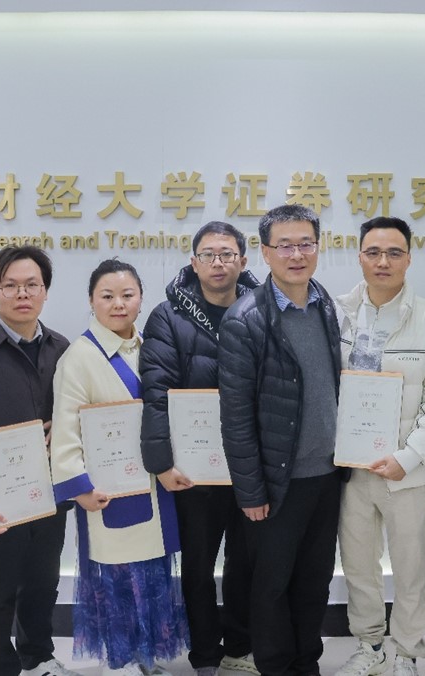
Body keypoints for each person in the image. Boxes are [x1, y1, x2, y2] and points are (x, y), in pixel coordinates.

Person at [218, 204, 342, 676]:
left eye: (305, 243)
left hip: (326, 476)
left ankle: (306, 663)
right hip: (276, 481)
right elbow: (235, 416)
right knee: (271, 586)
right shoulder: (244, 319)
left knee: (314, 582)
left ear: (318, 247)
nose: (296, 254)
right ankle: (275, 666)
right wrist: (250, 491)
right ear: (265, 253)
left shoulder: (324, 303)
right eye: (284, 245)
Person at [50, 259, 189, 676]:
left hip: (155, 489)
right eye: (107, 296)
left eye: (127, 295)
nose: (118, 304)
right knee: (117, 582)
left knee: (152, 578)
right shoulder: (79, 357)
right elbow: (66, 429)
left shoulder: (152, 348)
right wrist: (79, 486)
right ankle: (122, 661)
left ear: (141, 299)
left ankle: (148, 659)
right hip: (109, 494)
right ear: (91, 301)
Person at [333, 217, 425, 676]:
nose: (382, 261)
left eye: (394, 253)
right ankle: (370, 646)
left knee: (410, 568)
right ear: (359, 256)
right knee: (358, 566)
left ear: (409, 258)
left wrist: (407, 458)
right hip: (350, 470)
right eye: (373, 252)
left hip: (407, 471)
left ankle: (406, 652)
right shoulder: (335, 314)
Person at [0, 246, 78, 676]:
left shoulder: (61, 347)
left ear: (45, 291)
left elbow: (74, 416)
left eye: (31, 285)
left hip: (48, 493)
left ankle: (37, 656)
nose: (22, 294)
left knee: (43, 583)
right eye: (10, 286)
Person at [140, 221, 260, 676]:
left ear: (243, 261)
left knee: (246, 564)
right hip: (194, 471)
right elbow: (156, 392)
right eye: (208, 254)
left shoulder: (262, 311)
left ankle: (240, 649)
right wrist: (161, 462)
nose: (218, 262)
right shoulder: (167, 316)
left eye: (227, 254)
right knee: (197, 567)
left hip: (249, 468)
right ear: (193, 262)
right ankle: (205, 654)